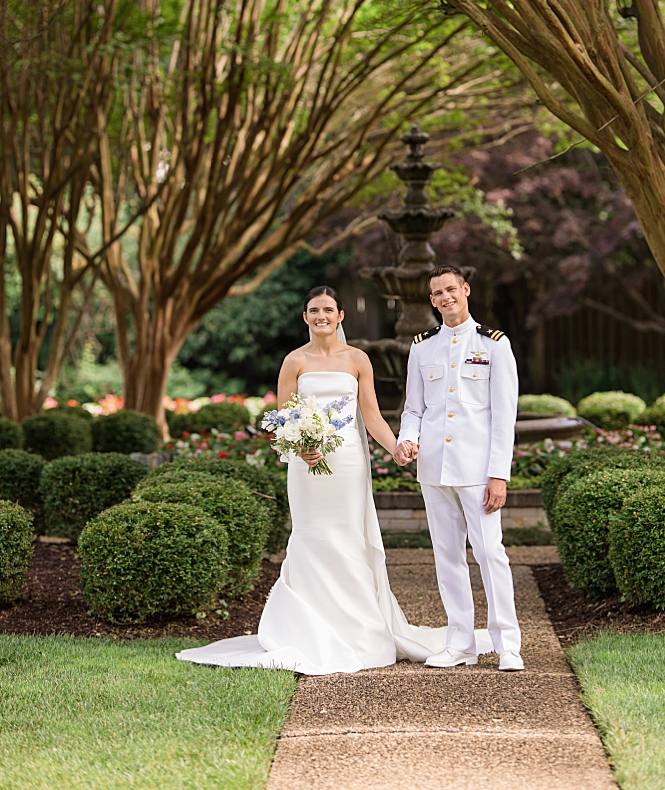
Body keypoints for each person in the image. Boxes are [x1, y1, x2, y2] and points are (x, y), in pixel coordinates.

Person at [178, 287, 475, 674]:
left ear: (340, 316)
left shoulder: (358, 360)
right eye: (314, 310)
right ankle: (307, 628)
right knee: (310, 536)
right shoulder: (293, 362)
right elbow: (284, 416)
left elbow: (370, 414)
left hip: (348, 465)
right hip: (306, 469)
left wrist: (396, 448)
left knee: (349, 538)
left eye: (328, 310)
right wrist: (299, 446)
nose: (322, 316)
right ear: (305, 317)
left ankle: (360, 631)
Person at [395, 265, 523, 671]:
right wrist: (406, 439)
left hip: (477, 471)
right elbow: (414, 408)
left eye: (452, 289)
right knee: (447, 557)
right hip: (434, 468)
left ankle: (508, 646)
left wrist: (498, 474)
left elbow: (504, 416)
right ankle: (461, 643)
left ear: (466, 290)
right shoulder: (422, 348)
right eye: (438, 293)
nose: (446, 297)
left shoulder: (494, 345)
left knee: (490, 554)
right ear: (431, 300)